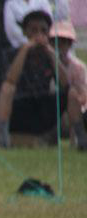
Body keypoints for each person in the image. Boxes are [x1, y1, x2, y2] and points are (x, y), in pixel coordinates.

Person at [0, 9, 67, 148]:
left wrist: (51, 53)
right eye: (33, 30)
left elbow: (66, 83)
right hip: (20, 106)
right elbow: (10, 81)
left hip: (43, 106)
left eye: (43, 30)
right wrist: (26, 49)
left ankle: (80, 138)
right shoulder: (11, 53)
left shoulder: (51, 55)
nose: (38, 35)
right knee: (6, 89)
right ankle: (3, 136)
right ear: (25, 32)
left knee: (72, 93)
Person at [50, 20, 87, 150]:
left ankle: (79, 138)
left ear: (69, 43)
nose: (60, 45)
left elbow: (83, 95)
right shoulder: (45, 64)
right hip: (50, 110)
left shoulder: (78, 67)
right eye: (56, 41)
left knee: (72, 95)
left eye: (64, 41)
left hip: (72, 111)